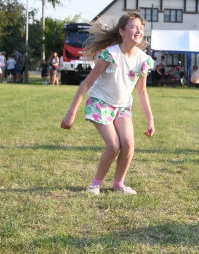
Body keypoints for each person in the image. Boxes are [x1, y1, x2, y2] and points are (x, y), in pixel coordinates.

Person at [61, 12, 155, 195]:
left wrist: (150, 120)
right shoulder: (110, 55)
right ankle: (95, 185)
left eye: (141, 28)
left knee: (128, 144)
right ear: (121, 31)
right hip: (100, 103)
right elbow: (86, 83)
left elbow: (142, 92)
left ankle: (118, 183)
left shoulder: (143, 60)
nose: (139, 31)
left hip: (122, 106)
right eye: (134, 27)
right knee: (113, 146)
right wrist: (71, 113)